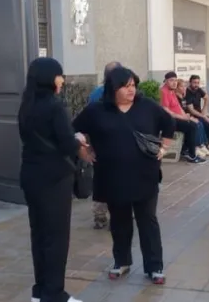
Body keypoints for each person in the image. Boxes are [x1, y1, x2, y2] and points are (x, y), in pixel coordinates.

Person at [73, 67, 175, 284]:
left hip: (144, 174)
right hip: (112, 176)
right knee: (119, 221)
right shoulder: (96, 110)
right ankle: (122, 261)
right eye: (126, 86)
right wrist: (83, 149)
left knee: (147, 220)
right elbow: (74, 129)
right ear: (113, 88)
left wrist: (164, 148)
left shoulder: (146, 106)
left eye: (133, 85)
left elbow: (169, 124)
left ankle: (154, 266)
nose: (131, 90)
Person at [17, 57, 90, 302]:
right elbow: (66, 144)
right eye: (60, 75)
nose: (63, 79)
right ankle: (53, 297)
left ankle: (41, 290)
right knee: (57, 237)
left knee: (39, 234)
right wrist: (77, 138)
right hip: (53, 178)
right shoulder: (54, 106)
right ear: (50, 78)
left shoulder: (26, 105)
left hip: (31, 175)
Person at [88, 61, 121, 230]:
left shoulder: (94, 94)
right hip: (118, 146)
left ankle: (99, 216)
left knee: (100, 179)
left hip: (97, 144)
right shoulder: (119, 94)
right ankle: (118, 214)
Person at [161, 72, 204, 163]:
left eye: (175, 80)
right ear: (166, 81)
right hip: (169, 121)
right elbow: (167, 111)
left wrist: (186, 116)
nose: (174, 83)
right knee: (192, 127)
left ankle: (186, 150)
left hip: (177, 118)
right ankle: (191, 154)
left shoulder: (171, 91)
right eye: (171, 80)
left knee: (194, 124)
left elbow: (178, 107)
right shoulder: (163, 92)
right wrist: (182, 117)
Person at [184, 75, 209, 157]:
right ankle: (200, 146)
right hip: (191, 115)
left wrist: (204, 110)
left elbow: (207, 97)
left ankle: (205, 144)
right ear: (190, 82)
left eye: (198, 83)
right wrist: (203, 116)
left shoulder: (198, 90)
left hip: (199, 114)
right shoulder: (187, 92)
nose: (196, 85)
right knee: (201, 124)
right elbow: (191, 110)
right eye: (194, 83)